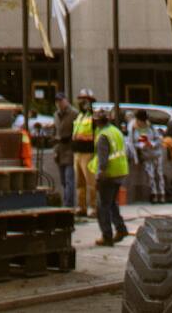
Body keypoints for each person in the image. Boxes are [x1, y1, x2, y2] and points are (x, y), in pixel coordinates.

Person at [94, 104, 132, 246]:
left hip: (108, 174)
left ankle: (107, 236)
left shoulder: (103, 136)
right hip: (120, 172)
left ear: (97, 122)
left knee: (102, 206)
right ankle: (121, 229)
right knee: (112, 204)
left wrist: (99, 176)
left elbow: (102, 161)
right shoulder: (115, 131)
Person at [72, 90, 98, 218]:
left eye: (84, 99)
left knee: (91, 183)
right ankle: (81, 207)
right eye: (80, 99)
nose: (81, 102)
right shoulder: (80, 116)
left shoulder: (92, 116)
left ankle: (93, 208)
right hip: (77, 153)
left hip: (88, 153)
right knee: (79, 183)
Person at [133, 110, 167, 203]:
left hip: (156, 154)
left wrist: (152, 144)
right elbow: (134, 143)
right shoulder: (136, 130)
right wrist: (141, 146)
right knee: (150, 175)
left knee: (159, 174)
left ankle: (162, 193)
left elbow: (159, 140)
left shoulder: (151, 128)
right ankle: (154, 193)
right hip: (146, 155)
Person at [51, 108, 77, 212]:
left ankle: (68, 205)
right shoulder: (56, 115)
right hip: (59, 152)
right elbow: (55, 132)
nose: (59, 104)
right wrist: (55, 150)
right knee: (63, 181)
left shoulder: (74, 114)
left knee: (69, 180)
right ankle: (67, 203)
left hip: (70, 152)